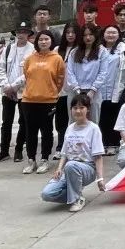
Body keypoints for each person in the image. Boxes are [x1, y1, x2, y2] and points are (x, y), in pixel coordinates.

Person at [40, 93, 106, 213]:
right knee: (47, 194)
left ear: (88, 109)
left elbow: (98, 156)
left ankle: (77, 199)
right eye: (75, 108)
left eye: (81, 107)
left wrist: (100, 178)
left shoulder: (93, 129)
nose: (78, 111)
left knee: (71, 165)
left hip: (87, 168)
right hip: (69, 168)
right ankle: (74, 193)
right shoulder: (70, 128)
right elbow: (65, 153)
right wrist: (59, 169)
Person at [20, 30, 65, 175]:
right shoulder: (30, 59)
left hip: (48, 101)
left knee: (46, 131)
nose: (43, 42)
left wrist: (51, 92)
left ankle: (44, 159)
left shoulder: (57, 59)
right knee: (30, 131)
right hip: (28, 100)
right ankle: (31, 160)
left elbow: (60, 80)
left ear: (51, 41)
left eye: (46, 39)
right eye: (40, 39)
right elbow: (27, 76)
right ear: (36, 42)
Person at [0, 20, 33, 163]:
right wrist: (6, 86)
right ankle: (4, 151)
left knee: (23, 121)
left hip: (24, 91)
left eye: (24, 32)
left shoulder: (33, 50)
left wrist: (14, 86)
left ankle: (18, 150)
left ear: (28, 34)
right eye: (19, 32)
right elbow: (1, 68)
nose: (21, 35)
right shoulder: (8, 48)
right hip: (7, 91)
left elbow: (30, 72)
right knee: (6, 122)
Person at [97, 25, 125, 154]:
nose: (111, 35)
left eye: (114, 33)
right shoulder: (98, 49)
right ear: (103, 34)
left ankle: (113, 144)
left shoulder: (124, 49)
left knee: (114, 117)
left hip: (116, 87)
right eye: (108, 32)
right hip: (100, 87)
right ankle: (102, 144)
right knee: (101, 117)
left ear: (118, 35)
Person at [65, 24, 105, 124]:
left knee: (93, 121)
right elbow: (70, 72)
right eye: (85, 35)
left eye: (90, 34)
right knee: (74, 121)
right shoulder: (74, 52)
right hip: (75, 91)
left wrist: (92, 91)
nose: (88, 37)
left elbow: (103, 73)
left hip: (94, 92)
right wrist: (77, 90)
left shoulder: (102, 51)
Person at [53, 23, 80, 156]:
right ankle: (60, 147)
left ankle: (75, 147)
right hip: (60, 91)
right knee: (61, 121)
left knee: (75, 120)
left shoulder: (81, 50)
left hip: (75, 91)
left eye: (73, 32)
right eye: (68, 32)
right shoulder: (57, 50)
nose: (70, 35)